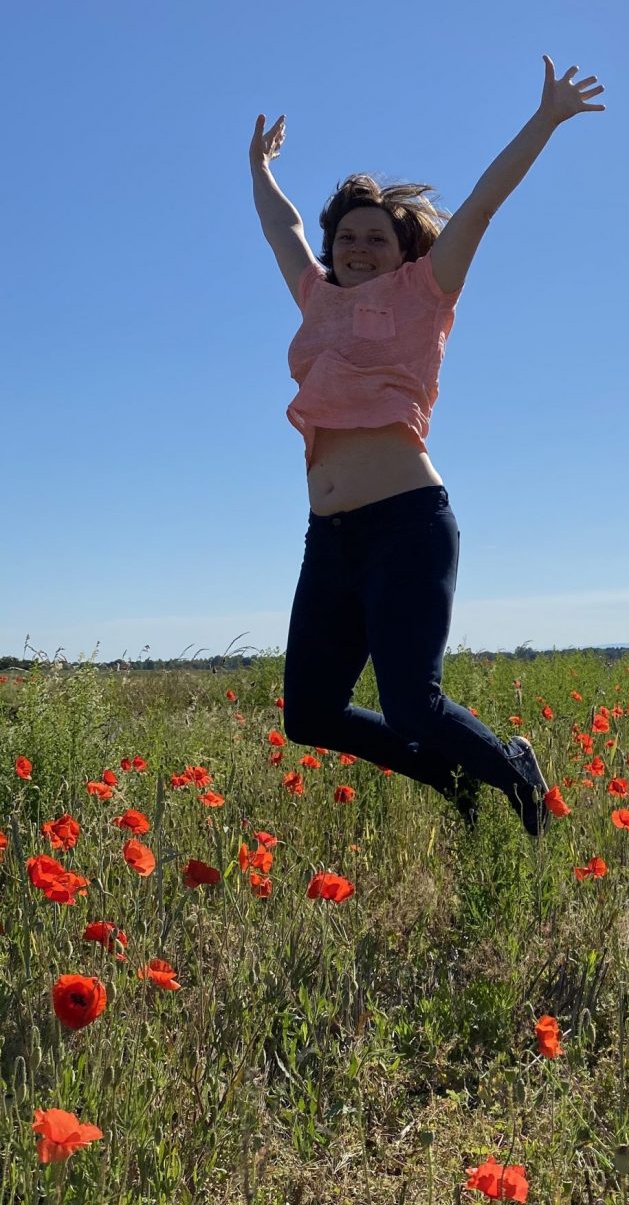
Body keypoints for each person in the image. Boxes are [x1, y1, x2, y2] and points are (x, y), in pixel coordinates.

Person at [248, 55, 605, 835]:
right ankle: (458, 781)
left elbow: (481, 204)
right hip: (329, 537)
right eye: (347, 237)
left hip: (407, 524)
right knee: (310, 713)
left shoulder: (426, 292)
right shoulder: (315, 297)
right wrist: (258, 168)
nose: (357, 248)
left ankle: (514, 775)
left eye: (375, 238)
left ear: (401, 248)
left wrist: (544, 119)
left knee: (414, 702)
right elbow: (283, 228)